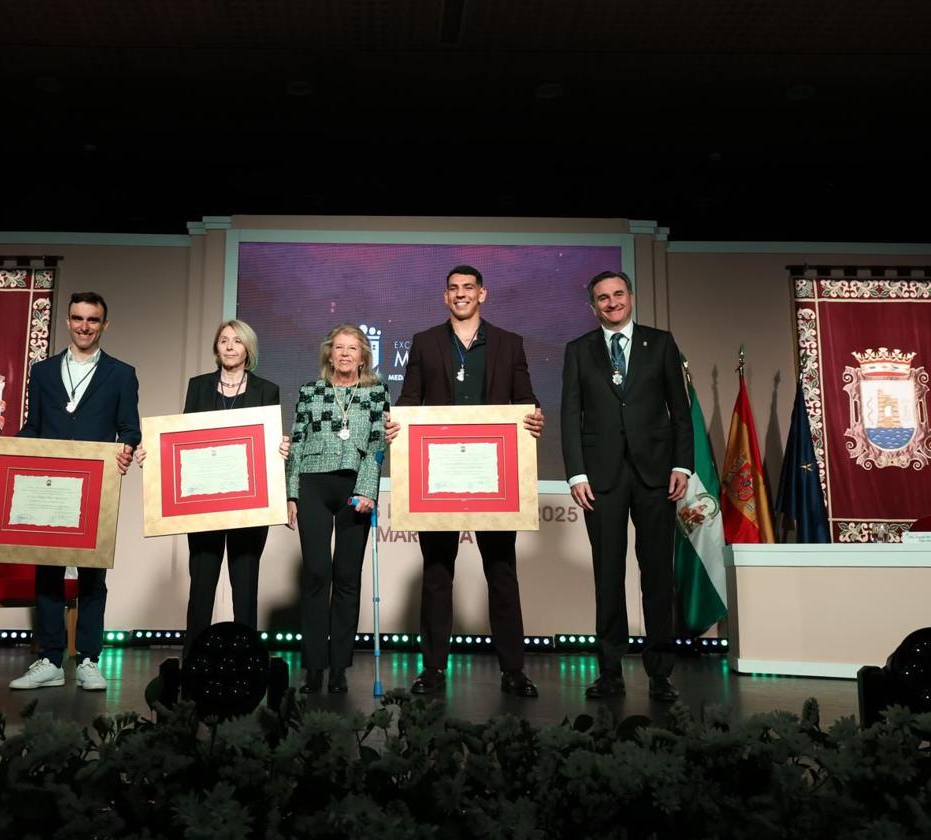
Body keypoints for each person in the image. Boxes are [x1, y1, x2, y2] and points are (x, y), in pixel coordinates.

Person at [386, 265, 545, 698]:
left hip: (494, 477)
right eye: (453, 289)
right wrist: (396, 424)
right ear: (445, 297)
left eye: (468, 288)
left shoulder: (509, 343)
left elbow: (526, 401)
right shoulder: (424, 342)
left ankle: (513, 670)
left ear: (482, 295)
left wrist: (534, 416)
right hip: (438, 477)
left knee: (501, 573)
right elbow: (409, 400)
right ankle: (433, 670)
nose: (460, 295)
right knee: (437, 574)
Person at [0, 291, 138, 691]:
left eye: (93, 320)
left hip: (96, 484)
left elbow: (129, 428)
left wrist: (127, 450)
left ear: (104, 325)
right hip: (48, 483)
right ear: (67, 321)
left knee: (93, 576)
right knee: (47, 571)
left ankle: (89, 661)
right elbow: (33, 429)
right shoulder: (43, 371)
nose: (84, 326)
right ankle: (49, 659)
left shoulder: (121, 373)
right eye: (78, 318)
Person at [561, 270, 692, 702]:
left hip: (657, 476)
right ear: (592, 305)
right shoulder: (578, 350)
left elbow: (681, 410)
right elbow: (570, 415)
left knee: (657, 575)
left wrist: (683, 466)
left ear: (631, 297)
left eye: (618, 294)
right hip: (600, 481)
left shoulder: (662, 343)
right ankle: (610, 671)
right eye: (603, 297)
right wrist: (577, 474)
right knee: (608, 576)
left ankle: (660, 673)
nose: (612, 302)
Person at [133, 320, 281, 658]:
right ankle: (192, 663)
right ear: (216, 348)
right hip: (203, 508)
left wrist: (279, 447)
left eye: (237, 341)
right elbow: (183, 439)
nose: (230, 346)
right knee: (201, 587)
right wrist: (153, 455)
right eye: (224, 341)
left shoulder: (266, 390)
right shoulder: (198, 386)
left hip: (248, 508)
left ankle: (247, 662)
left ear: (248, 350)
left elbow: (267, 445)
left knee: (245, 590)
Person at [285, 324, 389, 694]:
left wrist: (367, 490)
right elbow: (296, 442)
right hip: (313, 482)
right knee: (316, 574)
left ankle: (339, 667)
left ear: (364, 355)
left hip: (354, 487)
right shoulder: (311, 391)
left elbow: (378, 443)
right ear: (329, 353)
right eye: (339, 348)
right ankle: (314, 666)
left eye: (353, 348)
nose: (345, 354)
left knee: (347, 577)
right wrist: (291, 494)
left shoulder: (376, 392)